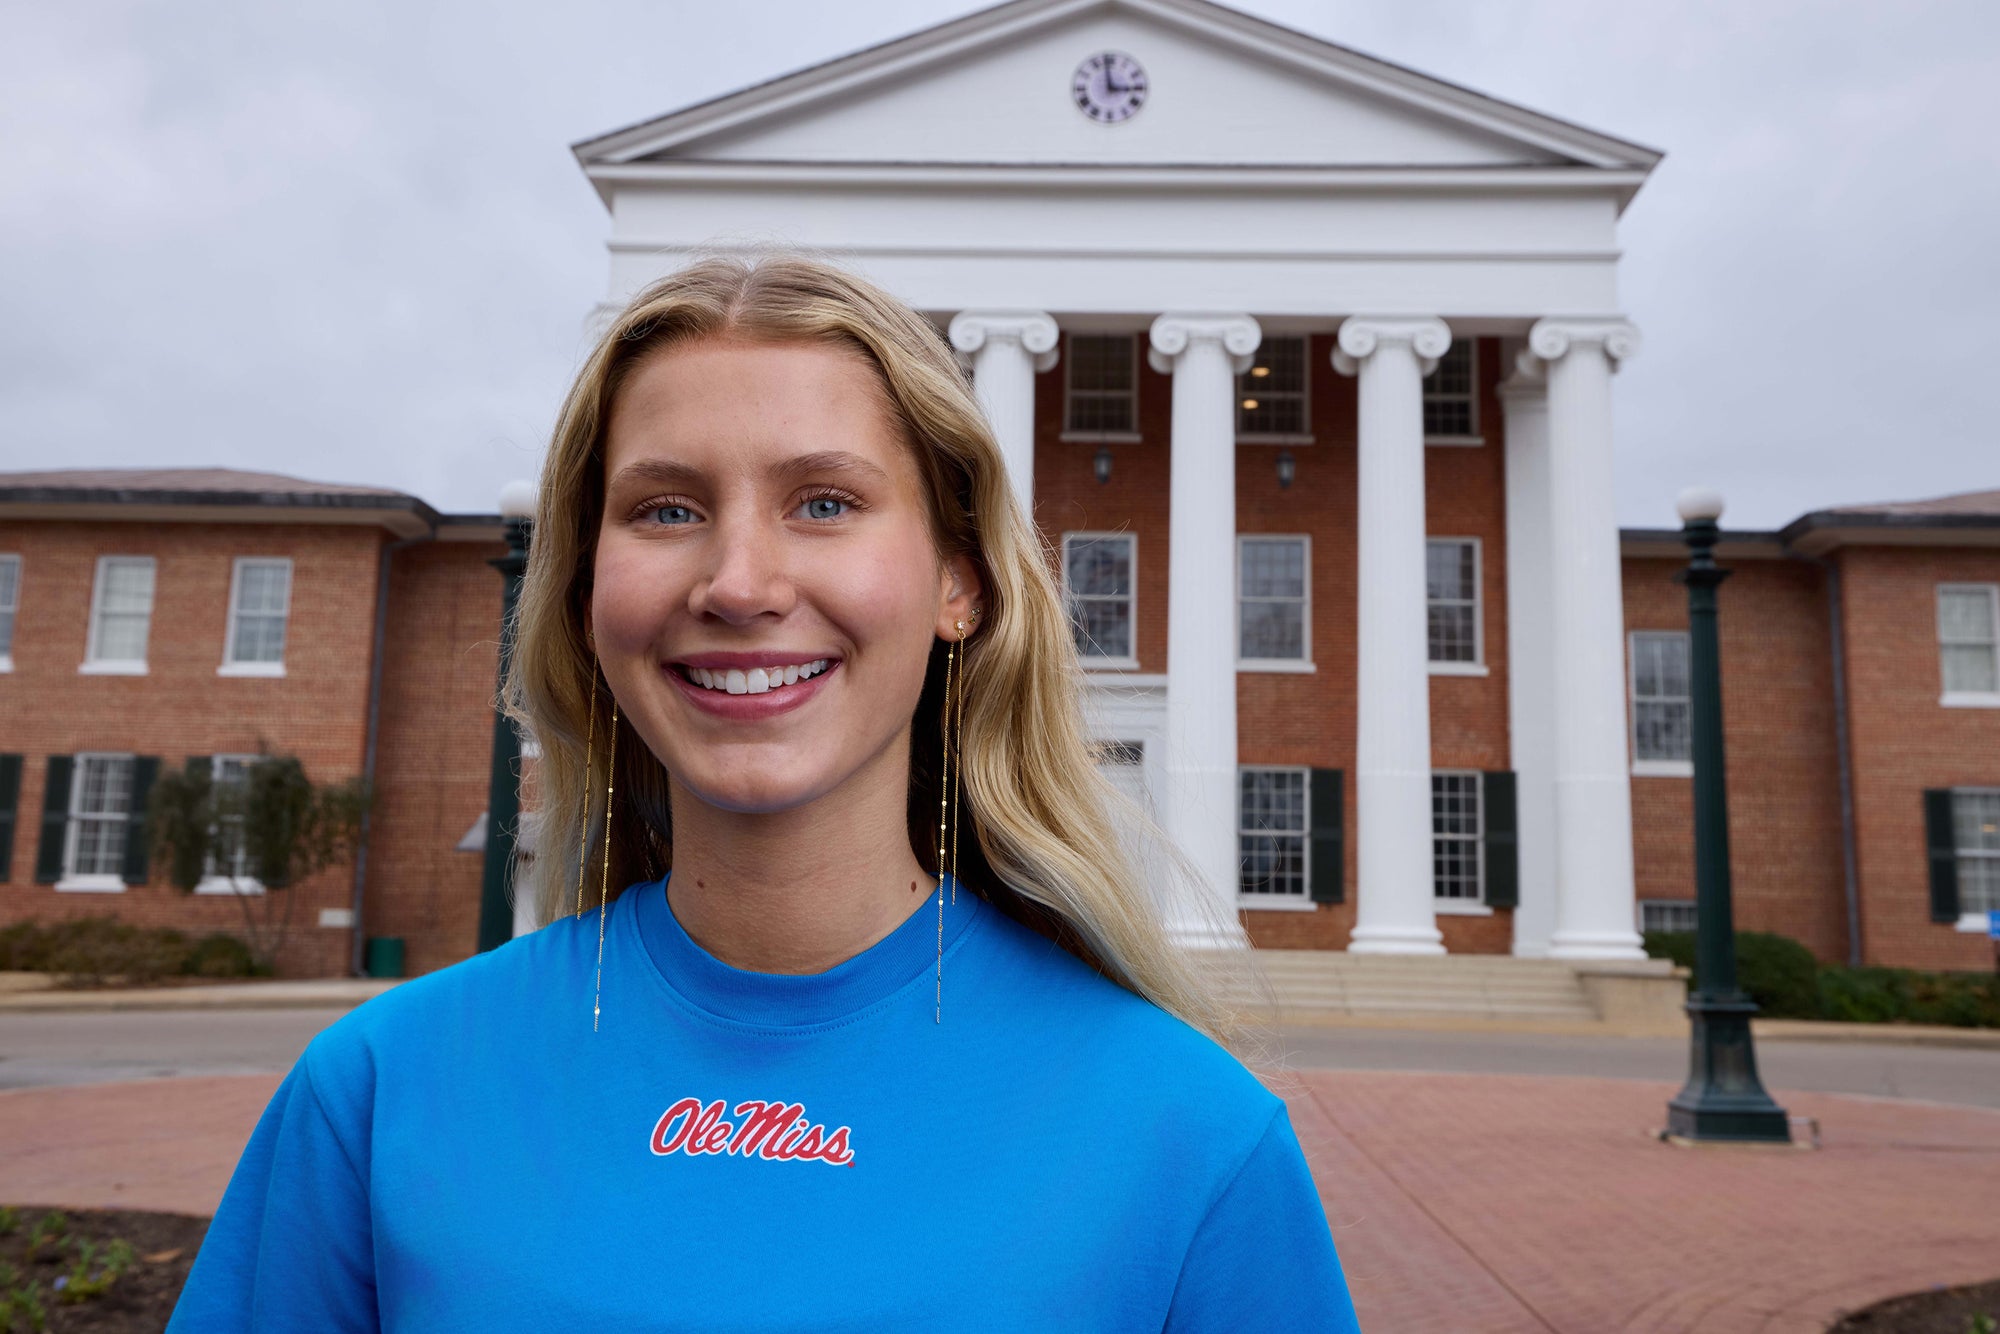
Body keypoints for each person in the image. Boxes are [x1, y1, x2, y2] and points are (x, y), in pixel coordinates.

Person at [167, 252, 1363, 1331]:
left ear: (960, 584)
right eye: (666, 508)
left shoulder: (1192, 1137)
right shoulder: (377, 1094)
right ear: (586, 591)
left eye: (824, 502)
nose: (738, 582)